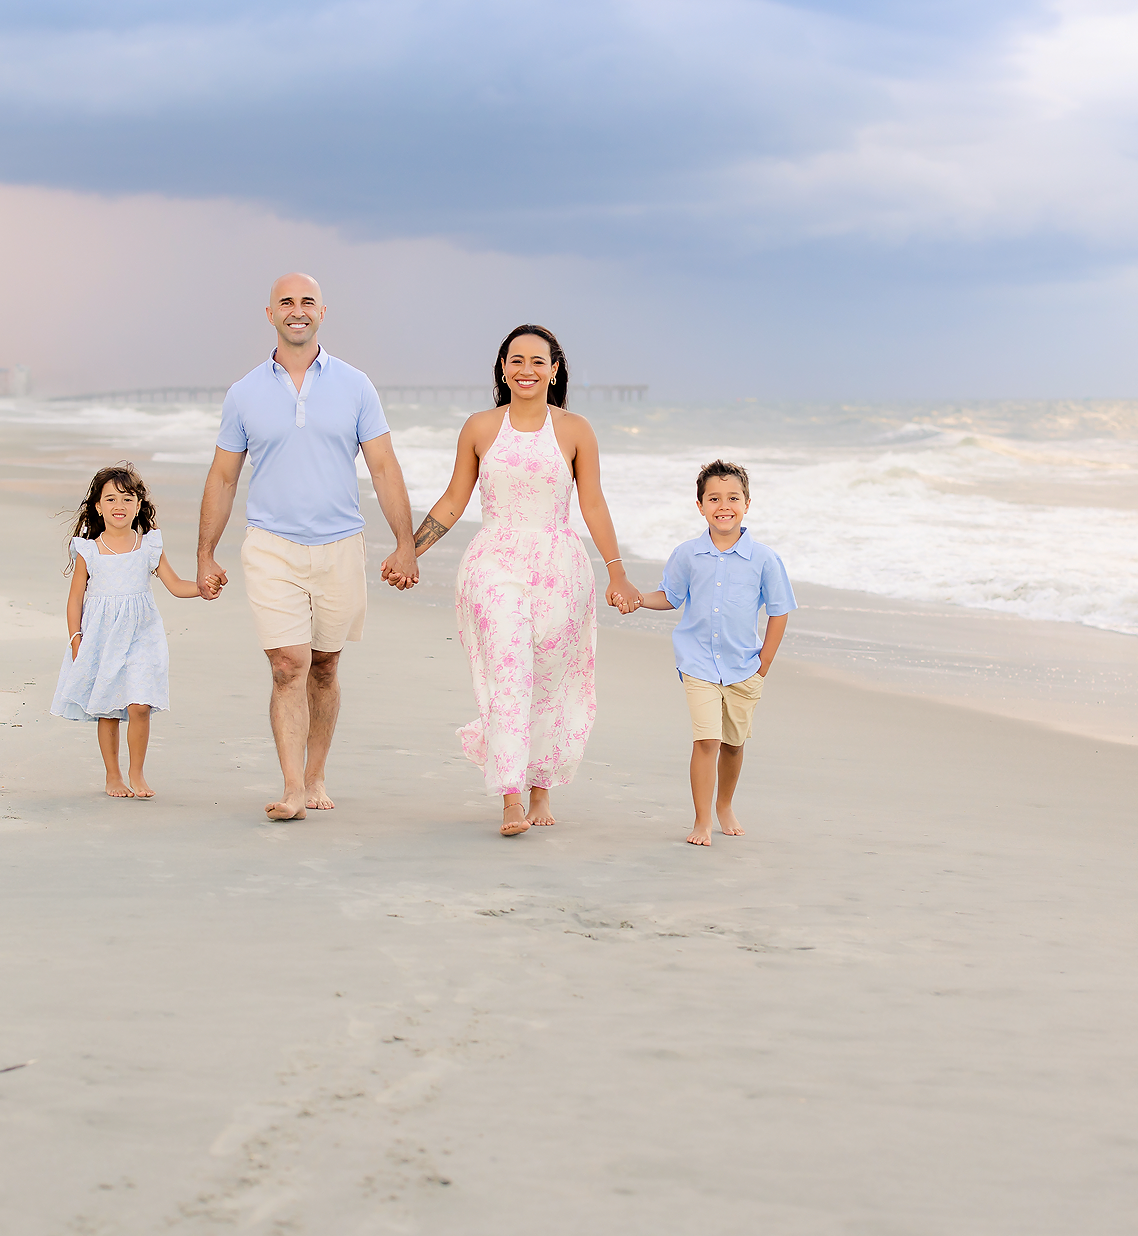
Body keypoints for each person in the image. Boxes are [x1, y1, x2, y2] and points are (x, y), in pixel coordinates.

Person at [196, 273, 418, 821]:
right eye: (287, 302)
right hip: (271, 544)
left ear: (324, 312)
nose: (298, 310)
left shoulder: (355, 385)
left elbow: (384, 467)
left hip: (341, 544)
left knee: (323, 665)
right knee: (287, 664)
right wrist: (206, 553)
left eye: (308, 302)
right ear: (269, 313)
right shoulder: (244, 392)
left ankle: (316, 775)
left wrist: (405, 543)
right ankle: (293, 787)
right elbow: (223, 477)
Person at [410, 324, 641, 837]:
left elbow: (593, 504)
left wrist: (617, 572)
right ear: (502, 368)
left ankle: (541, 788)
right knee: (509, 670)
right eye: (516, 360)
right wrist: (410, 548)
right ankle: (510, 796)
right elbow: (454, 499)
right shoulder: (480, 427)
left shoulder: (576, 430)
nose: (526, 370)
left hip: (560, 567)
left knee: (549, 681)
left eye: (538, 361)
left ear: (554, 369)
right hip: (495, 561)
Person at [635, 460, 795, 845]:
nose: (724, 505)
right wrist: (638, 599)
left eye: (733, 498)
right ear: (700, 506)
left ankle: (725, 803)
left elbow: (779, 610)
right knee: (707, 740)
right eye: (714, 498)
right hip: (697, 663)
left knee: (733, 744)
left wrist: (764, 664)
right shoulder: (688, 555)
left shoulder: (765, 559)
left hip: (745, 667)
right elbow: (670, 597)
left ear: (747, 503)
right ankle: (702, 819)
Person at [50, 463, 203, 799]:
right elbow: (75, 598)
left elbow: (175, 585)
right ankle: (113, 776)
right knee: (107, 708)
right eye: (110, 499)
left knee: (139, 704)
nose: (119, 505)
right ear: (97, 507)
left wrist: (203, 588)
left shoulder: (148, 546)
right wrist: (76, 637)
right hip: (101, 636)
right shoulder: (89, 550)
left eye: (127, 498)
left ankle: (137, 772)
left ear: (138, 505)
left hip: (142, 633)